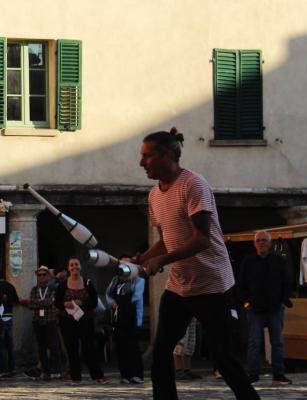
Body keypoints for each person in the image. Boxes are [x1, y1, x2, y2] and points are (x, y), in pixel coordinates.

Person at [133, 127, 258, 399]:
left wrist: (162, 261)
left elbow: (201, 239)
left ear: (167, 155)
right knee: (160, 351)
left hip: (212, 285)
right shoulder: (155, 195)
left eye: (147, 156)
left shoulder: (193, 185)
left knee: (223, 359)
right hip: (180, 286)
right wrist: (142, 258)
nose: (141, 163)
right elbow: (168, 240)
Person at [237, 230, 293, 385]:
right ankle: (253, 375)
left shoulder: (278, 261)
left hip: (275, 308)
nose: (261, 243)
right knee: (254, 342)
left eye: (264, 240)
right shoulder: (248, 262)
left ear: (270, 243)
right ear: (255, 244)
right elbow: (241, 285)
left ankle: (278, 375)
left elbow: (287, 283)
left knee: (278, 342)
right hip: (254, 309)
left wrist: (283, 301)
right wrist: (246, 303)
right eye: (258, 240)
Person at [54, 257, 107, 385]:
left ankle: (98, 375)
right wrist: (65, 304)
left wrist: (81, 302)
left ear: (80, 267)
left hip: (85, 321)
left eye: (76, 264)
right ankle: (75, 377)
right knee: (72, 349)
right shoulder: (62, 285)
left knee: (89, 348)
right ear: (68, 268)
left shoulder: (88, 283)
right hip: (67, 321)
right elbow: (56, 302)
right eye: (71, 265)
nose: (74, 267)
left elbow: (94, 302)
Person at [23, 266, 62, 381]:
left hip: (50, 320)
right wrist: (44, 303)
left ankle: (57, 370)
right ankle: (45, 371)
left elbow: (52, 302)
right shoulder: (34, 290)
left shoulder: (53, 289)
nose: (41, 277)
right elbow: (31, 304)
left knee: (54, 347)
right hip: (38, 322)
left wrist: (38, 302)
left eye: (44, 274)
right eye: (39, 275)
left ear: (48, 276)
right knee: (41, 348)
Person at [106, 273, 145, 384]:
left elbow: (136, 297)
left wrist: (120, 303)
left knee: (133, 346)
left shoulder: (138, 280)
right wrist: (113, 303)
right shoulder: (116, 279)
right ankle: (125, 375)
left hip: (132, 316)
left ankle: (137, 374)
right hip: (119, 316)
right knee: (120, 346)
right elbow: (108, 294)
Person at [0, 269, 19, 378]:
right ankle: (12, 368)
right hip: (9, 317)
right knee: (9, 344)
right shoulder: (10, 286)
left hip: (0, 318)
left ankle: (2, 369)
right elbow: (16, 301)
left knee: (0, 345)